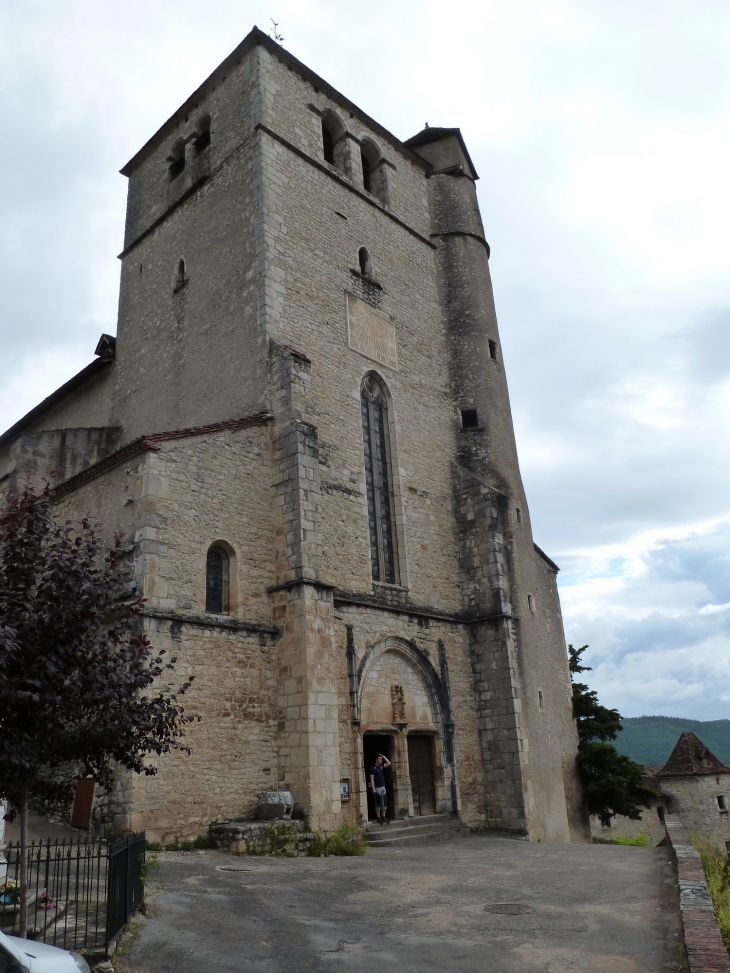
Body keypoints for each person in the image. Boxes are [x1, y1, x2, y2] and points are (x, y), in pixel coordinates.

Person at [368, 753, 391, 824]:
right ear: (376, 760)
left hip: (383, 787)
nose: (381, 760)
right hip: (377, 788)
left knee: (385, 802)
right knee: (378, 803)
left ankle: (383, 816)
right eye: (380, 759)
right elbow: (372, 779)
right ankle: (378, 817)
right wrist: (373, 788)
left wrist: (384, 757)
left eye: (381, 759)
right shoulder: (372, 768)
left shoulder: (381, 767)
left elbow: (389, 763)